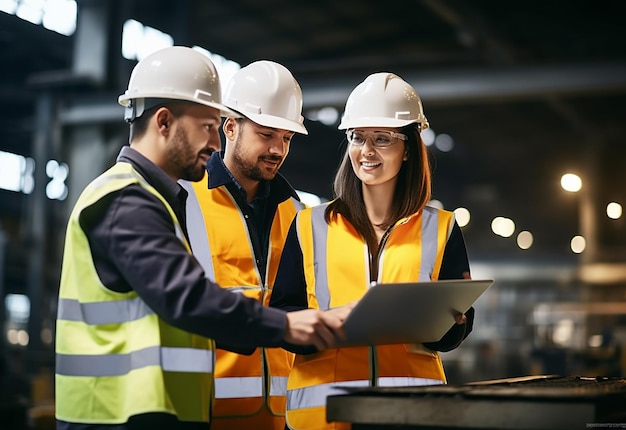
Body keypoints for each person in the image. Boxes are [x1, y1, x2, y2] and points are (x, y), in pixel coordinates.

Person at [54, 46, 347, 430]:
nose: (213, 144)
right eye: (208, 126)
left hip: (163, 411)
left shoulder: (158, 198)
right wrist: (285, 325)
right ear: (163, 122)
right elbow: (185, 295)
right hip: (118, 413)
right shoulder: (127, 201)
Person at [270, 72, 475, 430]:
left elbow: (455, 330)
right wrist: (320, 329)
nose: (367, 151)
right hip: (325, 414)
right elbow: (283, 317)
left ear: (408, 147)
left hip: (411, 413)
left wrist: (450, 324)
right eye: (358, 137)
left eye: (382, 139)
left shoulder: (441, 228)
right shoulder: (308, 225)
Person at [179, 60, 308, 430]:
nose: (278, 149)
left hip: (284, 414)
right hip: (204, 409)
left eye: (286, 138)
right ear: (230, 127)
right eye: (267, 134)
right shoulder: (184, 200)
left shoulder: (297, 213)